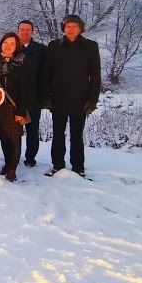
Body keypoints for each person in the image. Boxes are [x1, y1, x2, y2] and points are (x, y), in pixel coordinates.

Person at [45, 14, 101, 178]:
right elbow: (46, 73)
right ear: (63, 28)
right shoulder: (54, 46)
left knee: (77, 135)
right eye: (68, 26)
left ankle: (78, 167)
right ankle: (57, 165)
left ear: (80, 28)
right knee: (58, 134)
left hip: (80, 98)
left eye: (74, 27)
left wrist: (92, 100)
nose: (70, 29)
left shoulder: (90, 46)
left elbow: (95, 76)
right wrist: (46, 97)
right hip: (58, 97)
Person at [0, 32, 34, 182]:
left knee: (14, 138)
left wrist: (21, 110)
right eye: (6, 43)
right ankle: (7, 165)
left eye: (12, 43)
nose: (8, 46)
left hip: (14, 106)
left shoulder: (22, 62)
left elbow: (25, 88)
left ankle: (12, 169)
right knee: (3, 137)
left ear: (17, 46)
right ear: (1, 44)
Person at [17, 20, 48, 167]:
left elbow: (46, 74)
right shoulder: (12, 47)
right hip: (15, 96)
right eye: (22, 29)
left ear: (32, 32)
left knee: (32, 129)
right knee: (14, 131)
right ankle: (13, 158)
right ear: (18, 31)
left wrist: (44, 95)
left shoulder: (41, 50)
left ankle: (30, 158)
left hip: (34, 96)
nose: (25, 32)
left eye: (27, 29)